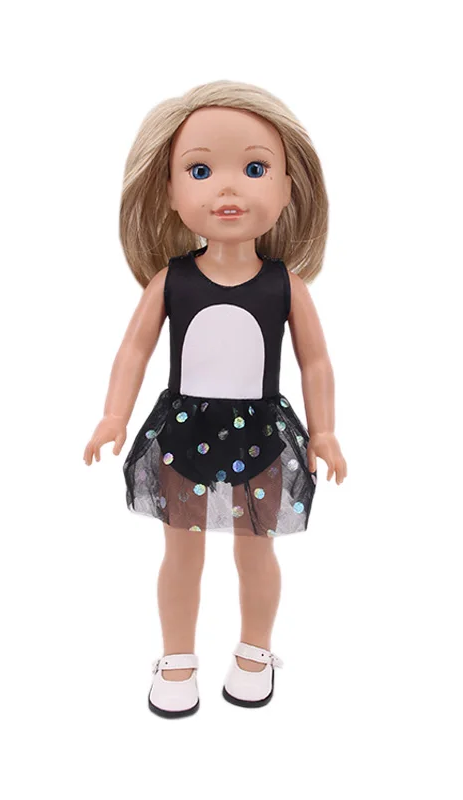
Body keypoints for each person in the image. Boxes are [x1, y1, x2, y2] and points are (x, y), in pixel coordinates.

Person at [83, 80, 347, 717]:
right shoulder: (170, 281)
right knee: (182, 553)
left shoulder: (286, 286)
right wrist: (114, 414)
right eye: (200, 171)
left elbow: (315, 361)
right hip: (184, 433)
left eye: (255, 169)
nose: (228, 188)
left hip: (262, 436)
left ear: (288, 189)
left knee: (256, 551)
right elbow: (133, 350)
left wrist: (324, 431)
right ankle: (177, 658)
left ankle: (255, 652)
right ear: (170, 191)